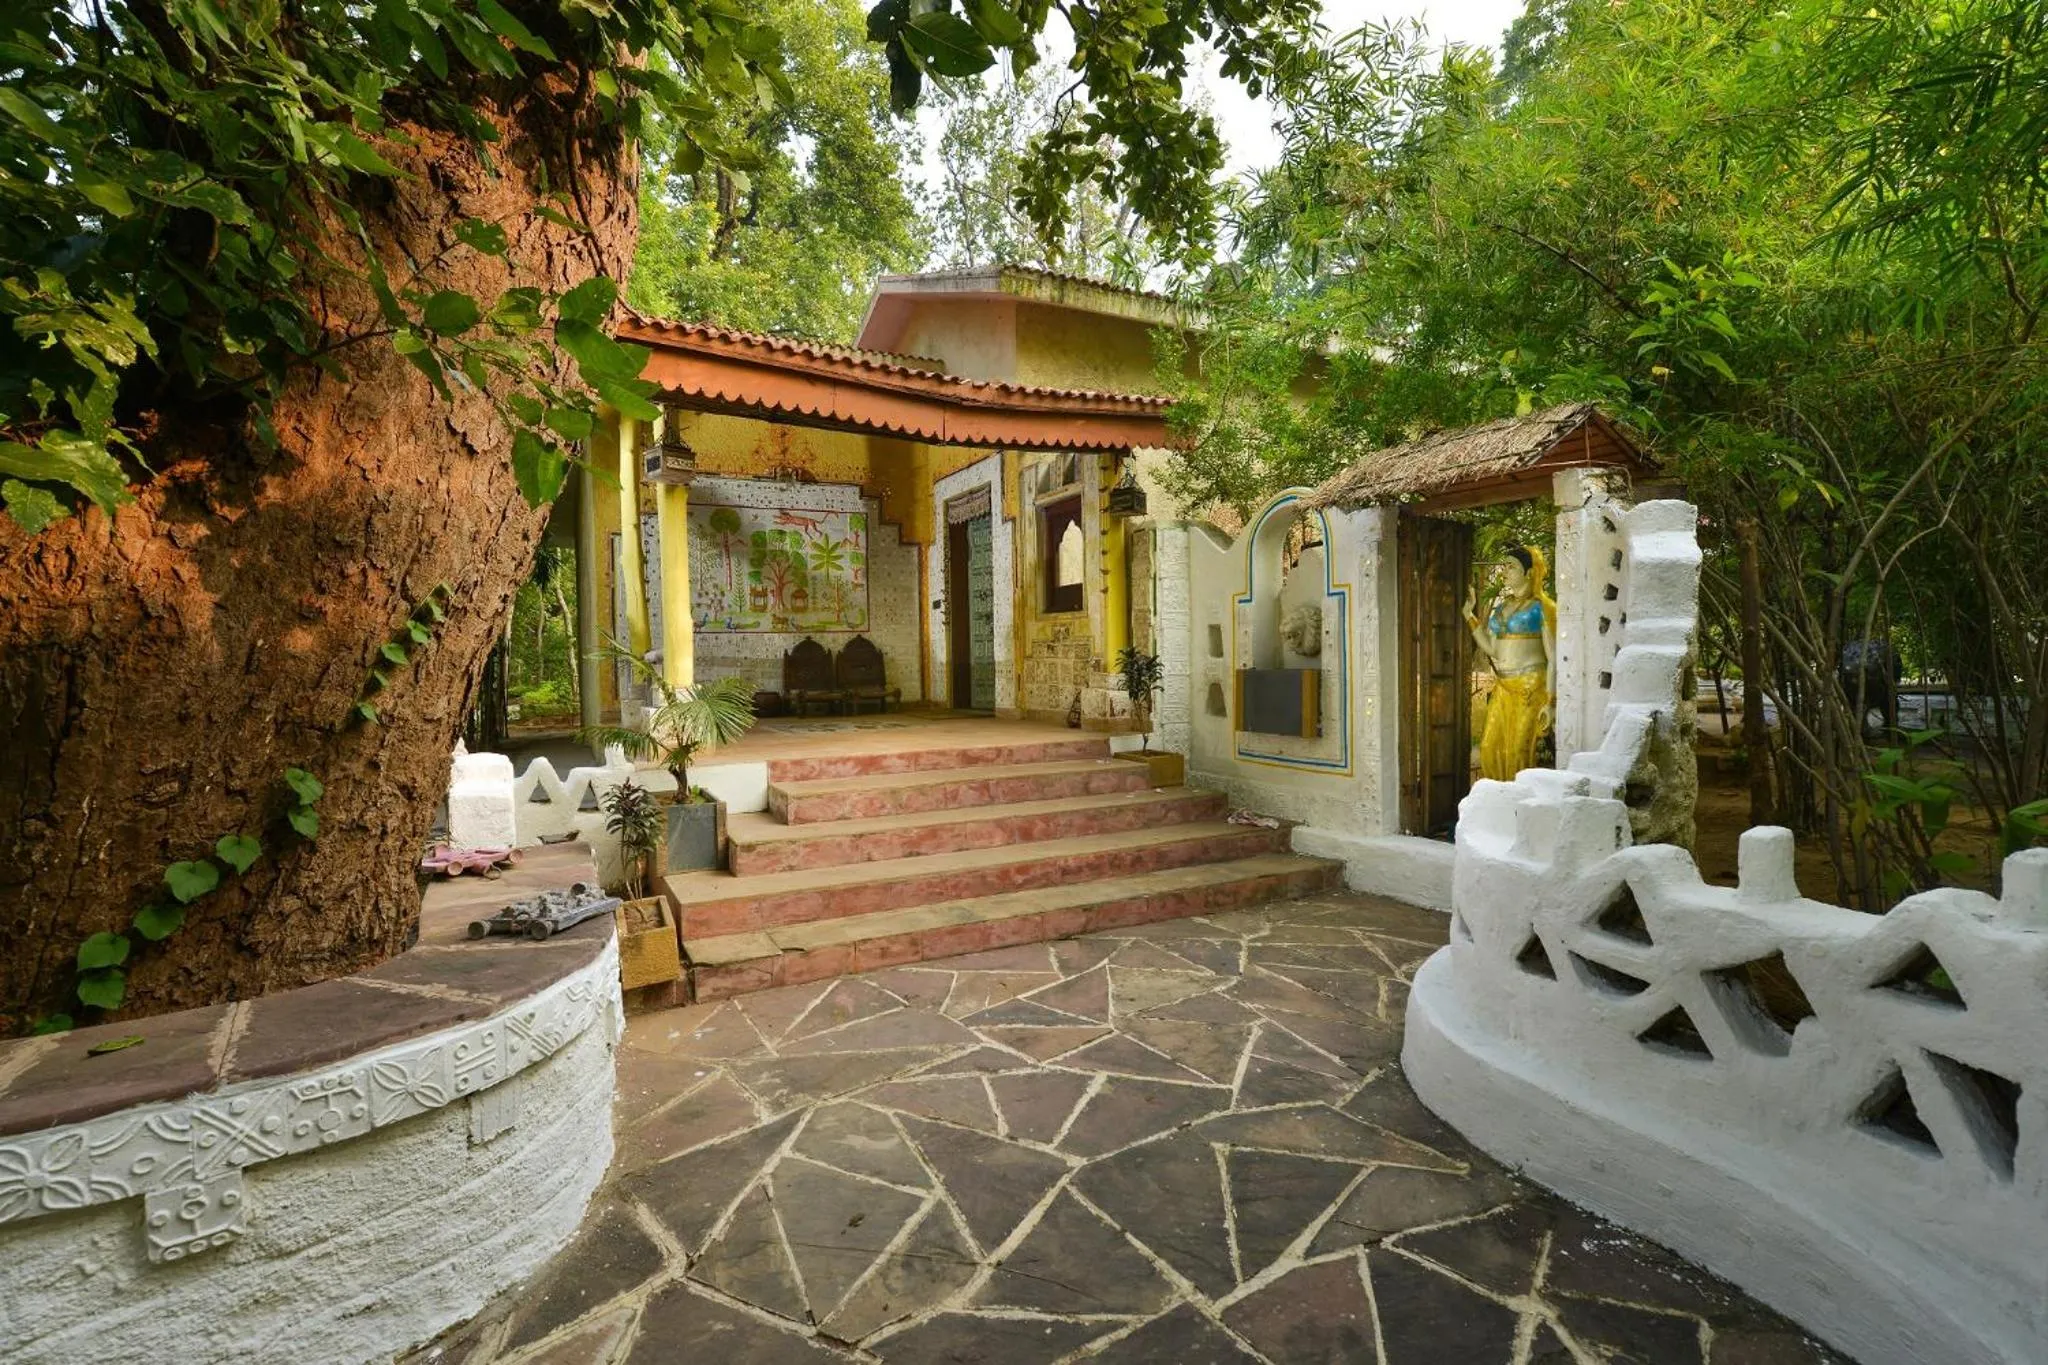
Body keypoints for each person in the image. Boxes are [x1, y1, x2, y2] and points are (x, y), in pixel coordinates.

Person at [1463, 545, 1558, 781]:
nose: (1505, 571)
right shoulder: (1502, 608)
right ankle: (1499, 803)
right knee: (1488, 749)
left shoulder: (1542, 607)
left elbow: (1554, 656)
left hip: (1530, 688)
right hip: (1503, 688)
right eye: (1504, 566)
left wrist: (1551, 700)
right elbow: (1492, 648)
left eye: (1511, 566)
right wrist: (1469, 616)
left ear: (1529, 573)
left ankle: (1520, 808)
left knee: (1520, 752)